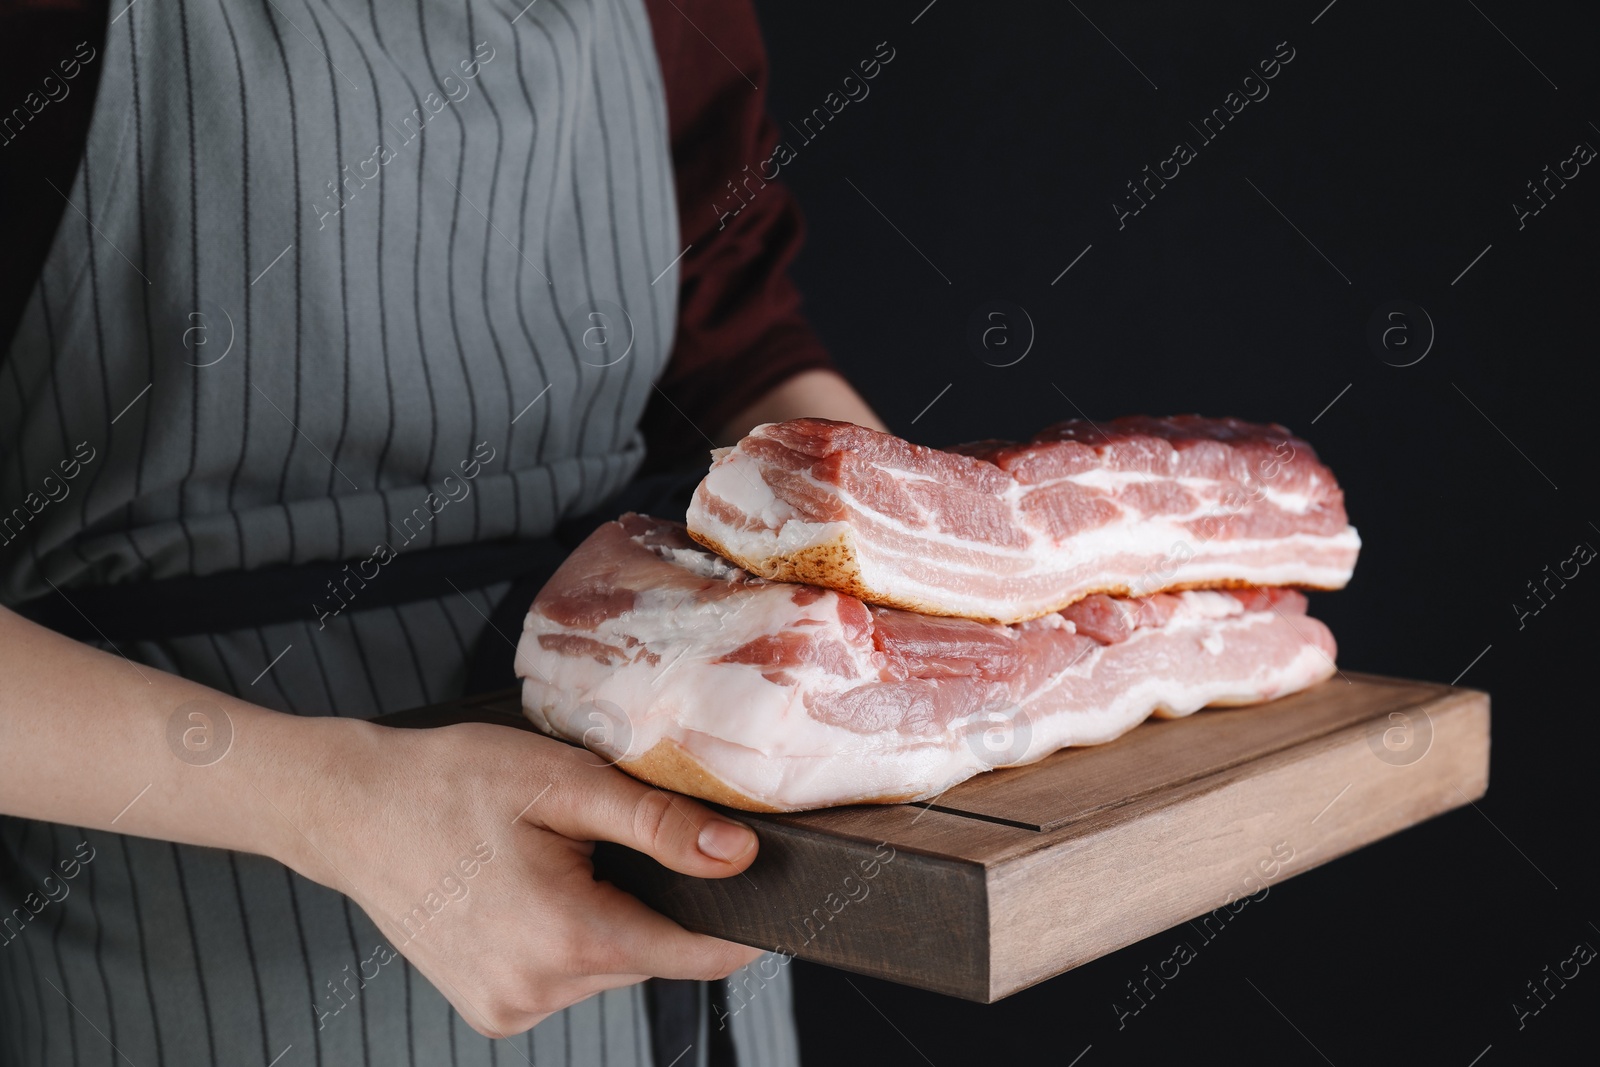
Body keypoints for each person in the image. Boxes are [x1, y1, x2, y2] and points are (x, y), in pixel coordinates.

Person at [0, 1, 884, 1064]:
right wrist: (328, 801)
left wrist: (924, 566)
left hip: (687, 913)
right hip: (216, 945)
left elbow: (728, 325)